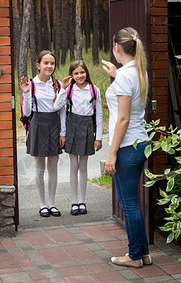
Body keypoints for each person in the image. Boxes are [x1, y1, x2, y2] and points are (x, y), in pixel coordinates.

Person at [102, 27, 152, 268]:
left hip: (127, 146)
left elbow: (123, 119)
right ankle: (142, 253)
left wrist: (111, 153)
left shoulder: (125, 76)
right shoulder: (137, 71)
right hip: (140, 143)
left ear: (117, 48)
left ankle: (134, 256)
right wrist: (116, 73)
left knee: (129, 202)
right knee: (130, 200)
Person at [20, 50, 66, 218]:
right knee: (40, 167)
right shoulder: (31, 85)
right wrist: (25, 93)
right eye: (46, 63)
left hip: (54, 124)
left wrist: (63, 133)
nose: (49, 66)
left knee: (53, 166)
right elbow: (26, 112)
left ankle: (52, 204)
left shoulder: (59, 85)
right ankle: (42, 205)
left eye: (52, 63)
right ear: (38, 65)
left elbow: (62, 111)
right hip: (38, 123)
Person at [54, 60, 103, 215]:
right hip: (72, 126)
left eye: (82, 72)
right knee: (73, 165)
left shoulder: (94, 90)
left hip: (88, 126)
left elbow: (99, 115)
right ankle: (74, 202)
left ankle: (82, 201)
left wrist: (99, 137)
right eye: (76, 73)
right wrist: (63, 88)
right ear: (71, 75)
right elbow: (56, 107)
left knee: (83, 165)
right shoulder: (69, 90)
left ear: (86, 73)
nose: (80, 75)